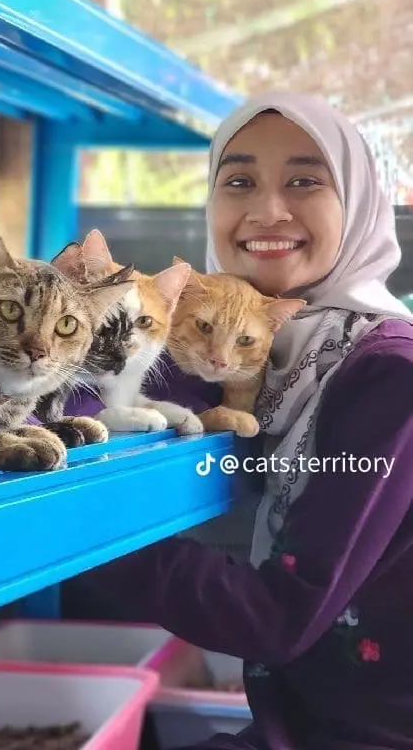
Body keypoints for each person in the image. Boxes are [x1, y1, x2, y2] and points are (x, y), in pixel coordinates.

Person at [61, 90, 413, 750]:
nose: (267, 210)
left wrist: (77, 528)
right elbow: (94, 397)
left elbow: (279, 616)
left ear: (360, 203)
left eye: (305, 181)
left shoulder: (390, 376)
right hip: (289, 719)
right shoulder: (234, 341)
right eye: (239, 181)